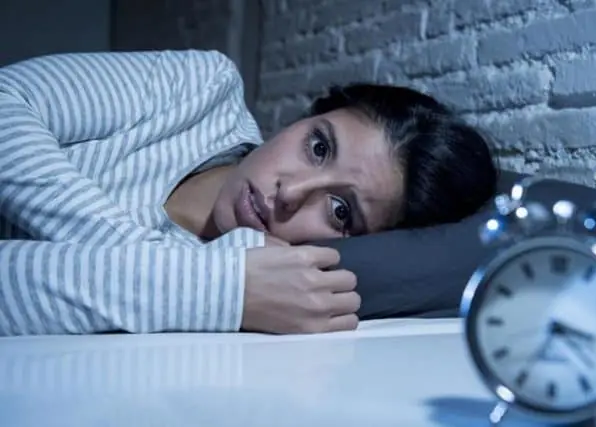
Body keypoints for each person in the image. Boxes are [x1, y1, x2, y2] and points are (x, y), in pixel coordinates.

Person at [0, 49, 497, 336]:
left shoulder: (259, 276)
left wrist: (222, 292)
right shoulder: (199, 90)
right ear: (304, 118)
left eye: (340, 210)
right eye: (318, 147)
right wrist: (211, 287)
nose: (291, 192)